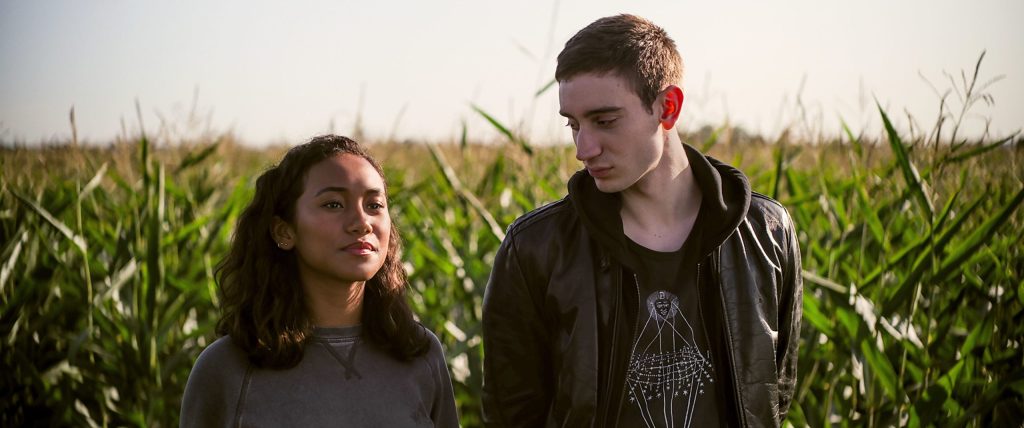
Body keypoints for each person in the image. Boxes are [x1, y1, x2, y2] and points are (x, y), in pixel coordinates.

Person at [482, 14, 802, 427]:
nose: (584, 148)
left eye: (604, 121)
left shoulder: (767, 233)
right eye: (573, 124)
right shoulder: (534, 249)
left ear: (667, 107)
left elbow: (772, 394)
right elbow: (512, 416)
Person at [180, 135, 459, 427]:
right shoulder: (227, 368)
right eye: (334, 205)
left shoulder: (420, 353)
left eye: (374, 205)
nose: (362, 222)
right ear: (284, 231)